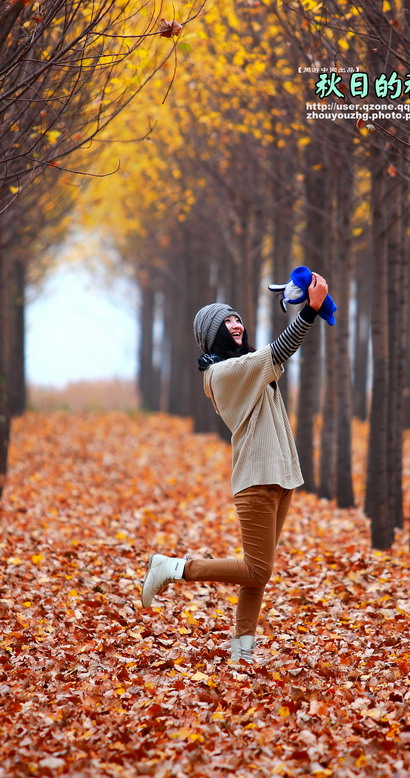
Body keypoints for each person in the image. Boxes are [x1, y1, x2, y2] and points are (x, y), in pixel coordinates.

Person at [141, 272, 329, 664]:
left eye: (238, 318)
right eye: (227, 321)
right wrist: (309, 312)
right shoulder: (222, 374)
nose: (237, 324)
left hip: (280, 475)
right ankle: (174, 568)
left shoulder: (244, 366)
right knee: (258, 569)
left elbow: (273, 357)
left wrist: (298, 305)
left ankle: (242, 651)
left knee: (256, 572)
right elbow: (279, 351)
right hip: (257, 479)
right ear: (213, 334)